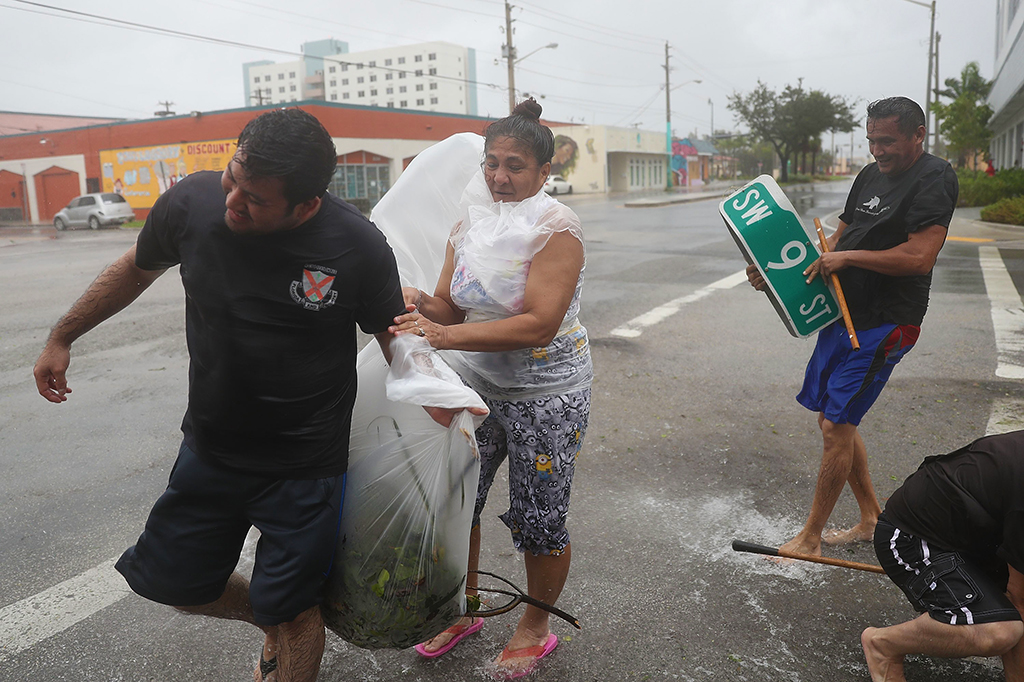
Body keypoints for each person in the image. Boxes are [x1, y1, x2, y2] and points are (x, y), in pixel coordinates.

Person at [32, 108, 478, 682]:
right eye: (231, 178)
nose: (231, 202)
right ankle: (266, 616)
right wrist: (63, 334)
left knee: (294, 612)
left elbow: (392, 330)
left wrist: (431, 389)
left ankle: (284, 619)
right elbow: (138, 268)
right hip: (210, 450)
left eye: (254, 199)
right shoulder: (190, 203)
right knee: (178, 586)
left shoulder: (355, 246)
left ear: (306, 206)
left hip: (304, 467)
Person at [390, 98, 592, 678]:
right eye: (491, 163)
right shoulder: (468, 222)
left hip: (546, 395)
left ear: (543, 172)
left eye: (515, 166)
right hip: (479, 384)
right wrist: (419, 303)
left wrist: (444, 335)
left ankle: (535, 624)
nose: (500, 177)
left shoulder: (557, 229)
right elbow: (450, 304)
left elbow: (538, 325)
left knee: (540, 516)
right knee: (461, 503)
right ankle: (463, 608)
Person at [746, 96, 958, 558]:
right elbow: (837, 238)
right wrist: (775, 277)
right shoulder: (867, 175)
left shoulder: (935, 177)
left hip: (886, 324)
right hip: (844, 314)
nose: (878, 151)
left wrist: (846, 257)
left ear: (918, 134)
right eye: (871, 141)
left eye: (888, 141)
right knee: (833, 420)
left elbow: (919, 256)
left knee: (836, 427)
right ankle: (870, 519)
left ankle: (810, 539)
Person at [862, 430, 1024, 681]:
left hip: (978, 535)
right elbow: (1020, 600)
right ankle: (883, 645)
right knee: (1000, 631)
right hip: (911, 535)